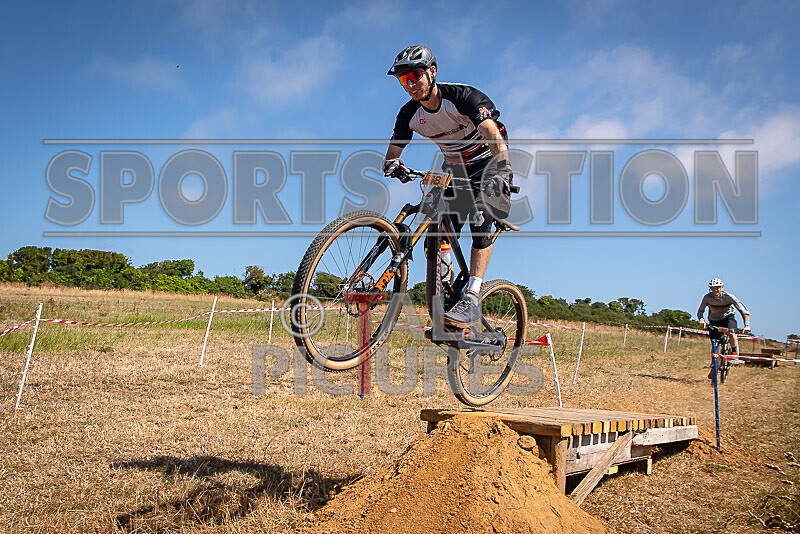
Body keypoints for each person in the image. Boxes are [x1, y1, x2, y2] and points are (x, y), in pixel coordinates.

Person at [382, 45, 513, 329]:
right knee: (436, 224)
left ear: (432, 72)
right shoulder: (409, 113)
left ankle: (472, 295)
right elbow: (393, 152)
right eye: (403, 80)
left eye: (415, 75)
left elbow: (492, 134)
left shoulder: (464, 98)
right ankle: (445, 292)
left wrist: (503, 171)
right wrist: (393, 164)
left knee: (480, 216)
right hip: (454, 171)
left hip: (489, 166)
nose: (411, 84)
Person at [697, 278, 751, 377]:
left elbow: (743, 311)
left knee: (732, 333)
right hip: (714, 320)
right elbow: (700, 311)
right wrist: (701, 320)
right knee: (714, 343)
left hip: (728, 318)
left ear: (722, 287)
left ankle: (734, 353)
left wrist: (747, 325)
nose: (715, 290)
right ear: (710, 289)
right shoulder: (707, 298)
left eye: (717, 288)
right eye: (713, 288)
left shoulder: (729, 297)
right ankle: (714, 365)